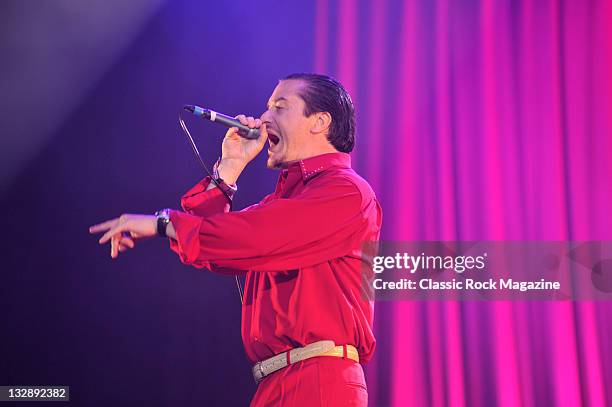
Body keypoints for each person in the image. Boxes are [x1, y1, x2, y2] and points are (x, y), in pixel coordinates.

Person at [89, 73, 382, 406]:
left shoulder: (345, 191)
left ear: (319, 121)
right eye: (267, 107)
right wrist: (229, 166)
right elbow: (215, 247)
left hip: (319, 382)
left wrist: (163, 224)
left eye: (280, 107)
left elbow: (254, 238)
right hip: (276, 382)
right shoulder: (282, 202)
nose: (264, 117)